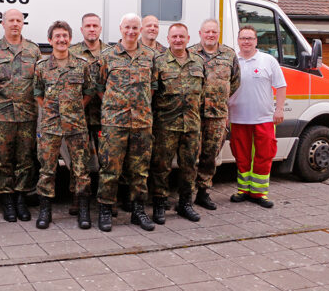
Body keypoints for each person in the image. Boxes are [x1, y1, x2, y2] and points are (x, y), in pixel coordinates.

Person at [95, 13, 157, 232]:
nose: (131, 32)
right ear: (120, 28)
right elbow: (100, 87)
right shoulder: (107, 56)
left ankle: (138, 211)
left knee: (140, 170)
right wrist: (116, 107)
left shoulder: (150, 56)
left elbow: (154, 87)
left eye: (135, 28)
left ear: (140, 30)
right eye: (127, 27)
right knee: (110, 168)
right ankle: (105, 209)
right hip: (114, 123)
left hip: (142, 123)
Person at [34, 21, 94, 229]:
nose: (61, 40)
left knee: (80, 169)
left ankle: (83, 210)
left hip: (76, 125)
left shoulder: (81, 64)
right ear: (50, 40)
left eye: (65, 36)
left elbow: (88, 92)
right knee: (47, 170)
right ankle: (45, 211)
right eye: (57, 36)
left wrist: (74, 109)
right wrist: (54, 111)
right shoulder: (42, 67)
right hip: (50, 126)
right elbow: (38, 94)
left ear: (70, 39)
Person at [0, 8, 41, 222]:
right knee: (3, 160)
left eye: (19, 20)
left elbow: (39, 83)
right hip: (2, 116)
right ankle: (7, 200)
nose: (15, 24)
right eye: (11, 20)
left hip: (27, 114)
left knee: (26, 159)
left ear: (23, 23)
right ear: (3, 23)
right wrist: (0, 102)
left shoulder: (33, 50)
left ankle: (21, 198)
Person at [150, 23, 205, 223]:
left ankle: (185, 204)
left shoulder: (198, 62)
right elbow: (152, 94)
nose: (178, 40)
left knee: (189, 166)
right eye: (174, 37)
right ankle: (159, 204)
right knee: (161, 167)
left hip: (191, 125)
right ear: (168, 39)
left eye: (182, 36)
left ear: (188, 38)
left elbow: (203, 92)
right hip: (166, 125)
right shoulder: (159, 62)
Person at [228, 25, 286, 208]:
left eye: (250, 38)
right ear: (238, 41)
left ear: (256, 41)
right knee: (241, 156)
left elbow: (281, 86)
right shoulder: (232, 61)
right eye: (243, 38)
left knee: (264, 155)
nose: (246, 41)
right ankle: (243, 190)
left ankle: (259, 193)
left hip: (264, 118)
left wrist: (280, 110)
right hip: (238, 118)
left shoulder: (268, 61)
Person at [188, 19, 240, 210]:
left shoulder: (229, 54)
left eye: (214, 32)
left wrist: (219, 98)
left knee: (210, 156)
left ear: (218, 34)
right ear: (200, 33)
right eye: (207, 32)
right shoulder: (190, 53)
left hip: (217, 115)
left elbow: (235, 82)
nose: (210, 35)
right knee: (191, 155)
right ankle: (187, 195)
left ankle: (203, 193)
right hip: (194, 114)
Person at [68, 13, 107, 216]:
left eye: (95, 25)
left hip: (105, 118)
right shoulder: (72, 52)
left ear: (100, 29)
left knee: (107, 159)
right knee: (79, 159)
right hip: (79, 116)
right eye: (88, 26)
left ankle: (106, 199)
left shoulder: (111, 53)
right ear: (81, 29)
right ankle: (79, 197)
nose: (92, 29)